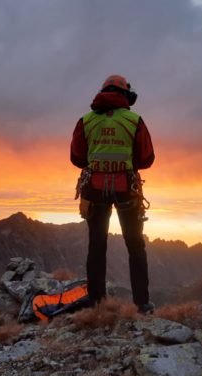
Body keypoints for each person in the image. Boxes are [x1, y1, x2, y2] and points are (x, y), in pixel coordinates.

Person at [70, 74, 155, 314]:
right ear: (125, 94)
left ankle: (97, 302)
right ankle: (142, 304)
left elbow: (77, 158)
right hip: (127, 189)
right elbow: (147, 158)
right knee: (135, 246)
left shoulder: (85, 121)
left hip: (94, 190)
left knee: (97, 246)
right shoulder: (134, 120)